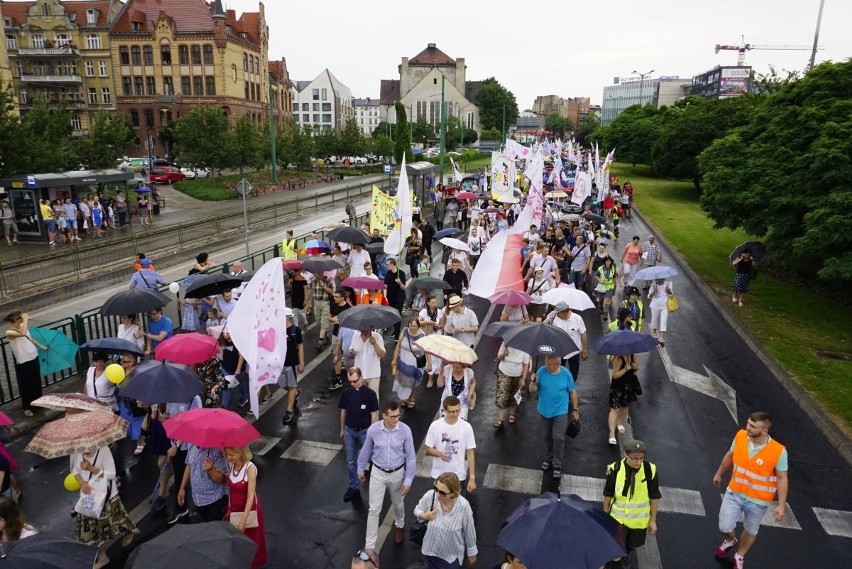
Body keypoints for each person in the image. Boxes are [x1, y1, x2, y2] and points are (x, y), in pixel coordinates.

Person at [712, 412, 788, 569]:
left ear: (765, 430)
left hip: (758, 501)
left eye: (753, 426)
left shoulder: (779, 451)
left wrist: (781, 505)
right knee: (724, 527)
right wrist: (719, 473)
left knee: (750, 530)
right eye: (748, 423)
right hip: (734, 492)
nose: (747, 427)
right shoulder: (740, 436)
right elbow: (730, 455)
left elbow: (782, 478)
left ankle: (739, 555)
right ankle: (730, 540)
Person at [357, 400, 417, 552]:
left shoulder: (405, 430)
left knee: (398, 504)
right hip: (377, 473)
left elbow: (410, 456)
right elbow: (366, 450)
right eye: (393, 416)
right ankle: (370, 546)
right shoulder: (374, 430)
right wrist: (360, 468)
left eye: (398, 415)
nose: (397, 419)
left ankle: (399, 526)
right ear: (384, 416)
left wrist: (408, 479)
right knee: (374, 510)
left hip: (397, 473)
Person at [70, 445, 138, 569]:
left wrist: (92, 468)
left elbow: (112, 474)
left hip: (107, 496)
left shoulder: (104, 450)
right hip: (89, 498)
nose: (85, 448)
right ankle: (102, 557)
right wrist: (83, 483)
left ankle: (128, 531)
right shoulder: (78, 452)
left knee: (117, 520)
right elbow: (75, 471)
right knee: (93, 529)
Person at [603, 440, 661, 568]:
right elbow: (608, 493)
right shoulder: (615, 469)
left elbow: (654, 496)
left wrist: (653, 520)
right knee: (615, 546)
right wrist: (605, 515)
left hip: (638, 522)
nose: (638, 462)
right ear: (625, 454)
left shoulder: (650, 470)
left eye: (641, 458)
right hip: (618, 519)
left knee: (632, 545)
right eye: (634, 458)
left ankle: (625, 555)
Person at [528, 354, 580, 480]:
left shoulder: (566, 374)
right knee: (547, 436)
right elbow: (532, 390)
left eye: (548, 364)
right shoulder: (541, 371)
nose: (546, 366)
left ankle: (557, 464)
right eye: (546, 363)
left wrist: (575, 410)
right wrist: (532, 382)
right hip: (545, 410)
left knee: (558, 438)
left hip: (560, 411)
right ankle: (548, 457)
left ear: (557, 364)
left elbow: (572, 392)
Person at [413, 472, 478, 569]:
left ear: (453, 493)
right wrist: (425, 516)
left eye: (442, 492)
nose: (438, 494)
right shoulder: (431, 496)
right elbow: (417, 510)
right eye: (436, 489)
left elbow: (469, 531)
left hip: (451, 557)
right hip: (431, 551)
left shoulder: (463, 506)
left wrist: (471, 553)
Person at [339, 367, 379, 503]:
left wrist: (372, 433)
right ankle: (353, 486)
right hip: (350, 431)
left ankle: (377, 483)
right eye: (350, 381)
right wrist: (342, 429)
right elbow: (343, 411)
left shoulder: (370, 394)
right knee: (351, 461)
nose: (353, 384)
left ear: (361, 377)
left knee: (373, 458)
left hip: (365, 431)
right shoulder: (346, 394)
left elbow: (374, 414)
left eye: (355, 381)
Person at [224, 446, 268, 569]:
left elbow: (250, 496)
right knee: (239, 543)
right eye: (227, 454)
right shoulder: (232, 465)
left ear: (241, 453)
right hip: (235, 510)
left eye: (231, 455)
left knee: (251, 544)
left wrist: (243, 521)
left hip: (249, 512)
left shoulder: (251, 468)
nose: (228, 458)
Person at [425, 396, 477, 495]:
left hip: (458, 476)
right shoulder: (435, 426)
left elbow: (470, 452)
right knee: (437, 506)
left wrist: (472, 478)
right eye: (452, 411)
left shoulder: (466, 427)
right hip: (438, 475)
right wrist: (440, 454)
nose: (456, 414)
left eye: (458, 410)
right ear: (444, 410)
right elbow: (428, 449)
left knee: (458, 507)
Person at [4, 311, 45, 417]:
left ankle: (38, 404)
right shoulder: (9, 332)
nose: (23, 319)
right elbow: (22, 333)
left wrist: (41, 346)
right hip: (23, 360)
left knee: (36, 381)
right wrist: (26, 319)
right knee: (27, 384)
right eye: (21, 318)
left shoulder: (23, 325)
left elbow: (29, 337)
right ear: (17, 319)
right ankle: (27, 406)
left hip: (33, 356)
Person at [175, 445, 229, 523]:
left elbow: (222, 479)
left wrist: (211, 469)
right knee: (204, 524)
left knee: (215, 528)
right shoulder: (192, 446)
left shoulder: (217, 451)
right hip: (198, 499)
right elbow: (189, 465)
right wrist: (182, 488)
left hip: (214, 499)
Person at [544, 301, 588, 383]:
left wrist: (584, 350)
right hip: (559, 351)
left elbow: (583, 334)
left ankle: (569, 388)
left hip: (574, 351)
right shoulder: (553, 315)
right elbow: (544, 323)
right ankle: (560, 389)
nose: (557, 315)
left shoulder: (577, 318)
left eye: (559, 314)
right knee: (556, 372)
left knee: (573, 374)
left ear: (566, 312)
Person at [607, 352, 641, 446]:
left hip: (629, 385)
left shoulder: (633, 355)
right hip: (618, 387)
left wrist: (635, 367)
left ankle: (619, 423)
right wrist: (625, 369)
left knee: (625, 407)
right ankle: (612, 433)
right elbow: (614, 375)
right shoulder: (618, 358)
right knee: (615, 409)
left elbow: (637, 368)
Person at [494, 341, 530, 428]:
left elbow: (525, 365)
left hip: (518, 375)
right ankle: (501, 419)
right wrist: (504, 354)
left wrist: (523, 379)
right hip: (504, 372)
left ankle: (512, 413)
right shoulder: (505, 343)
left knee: (515, 394)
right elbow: (498, 357)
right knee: (502, 395)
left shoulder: (526, 347)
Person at [278, 308, 305, 424]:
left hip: (292, 363)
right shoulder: (277, 330)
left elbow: (301, 347)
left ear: (288, 317)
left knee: (292, 385)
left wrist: (301, 362)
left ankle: (289, 411)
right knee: (283, 385)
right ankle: (296, 393)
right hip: (279, 364)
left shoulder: (295, 330)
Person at [391, 318, 425, 409]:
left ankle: (412, 398)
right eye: (411, 325)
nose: (412, 328)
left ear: (418, 326)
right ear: (408, 325)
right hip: (403, 361)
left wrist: (429, 364)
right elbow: (398, 346)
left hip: (415, 364)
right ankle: (405, 397)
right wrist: (394, 359)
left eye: (415, 326)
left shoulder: (422, 335)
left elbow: (426, 351)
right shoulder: (405, 331)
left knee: (413, 381)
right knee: (403, 381)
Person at [349, 328, 386, 399]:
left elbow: (382, 355)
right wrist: (352, 353)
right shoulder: (355, 336)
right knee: (360, 398)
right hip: (359, 375)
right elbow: (351, 351)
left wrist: (375, 344)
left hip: (373, 374)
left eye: (365, 327)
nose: (363, 330)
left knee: (373, 398)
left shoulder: (377, 337)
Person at [307, 269, 334, 352]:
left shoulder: (328, 280)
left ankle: (320, 342)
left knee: (324, 321)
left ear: (323, 272)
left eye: (320, 272)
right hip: (316, 302)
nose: (318, 274)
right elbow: (310, 291)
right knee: (318, 321)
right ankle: (325, 334)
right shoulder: (313, 281)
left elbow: (332, 291)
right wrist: (308, 302)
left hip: (325, 302)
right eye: (317, 273)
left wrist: (324, 286)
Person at [383, 258, 407, 337]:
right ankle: (395, 330)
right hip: (391, 297)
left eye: (387, 264)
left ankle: (397, 335)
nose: (386, 266)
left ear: (392, 264)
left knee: (397, 314)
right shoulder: (388, 274)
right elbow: (385, 286)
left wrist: (400, 282)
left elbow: (403, 288)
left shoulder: (401, 273)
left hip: (399, 297)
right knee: (393, 315)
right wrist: (385, 296)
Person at [647, 278, 673, 346]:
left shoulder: (668, 284)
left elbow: (671, 294)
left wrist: (668, 291)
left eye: (662, 279)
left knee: (663, 321)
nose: (660, 280)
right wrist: (654, 292)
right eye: (659, 279)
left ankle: (661, 337)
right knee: (654, 320)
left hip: (664, 305)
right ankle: (655, 332)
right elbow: (649, 296)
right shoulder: (653, 285)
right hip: (655, 305)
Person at [595, 256, 620, 321]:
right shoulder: (601, 268)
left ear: (611, 262)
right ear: (605, 262)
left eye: (609, 261)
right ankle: (601, 306)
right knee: (601, 299)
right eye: (606, 261)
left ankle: (605, 313)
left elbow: (614, 277)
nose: (608, 262)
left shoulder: (613, 268)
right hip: (602, 286)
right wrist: (599, 280)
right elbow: (596, 275)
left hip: (610, 287)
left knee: (608, 300)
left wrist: (615, 285)